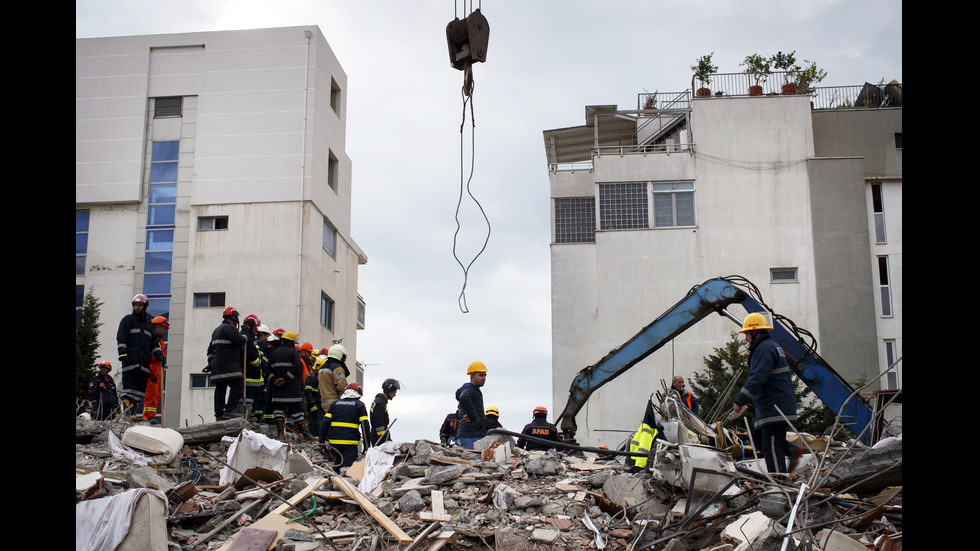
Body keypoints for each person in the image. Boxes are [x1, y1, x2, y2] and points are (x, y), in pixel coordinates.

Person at [732, 312, 803, 475]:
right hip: (769, 407)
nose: (746, 338)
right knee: (757, 436)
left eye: (747, 334)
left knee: (772, 447)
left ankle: (779, 484)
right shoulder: (768, 347)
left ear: (755, 331)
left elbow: (758, 377)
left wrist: (740, 400)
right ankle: (792, 450)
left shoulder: (764, 349)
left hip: (775, 408)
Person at [206, 307, 259, 421]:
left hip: (217, 366)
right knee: (238, 384)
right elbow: (240, 341)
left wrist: (210, 363)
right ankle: (230, 410)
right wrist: (245, 333)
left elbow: (210, 350)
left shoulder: (216, 330)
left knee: (220, 389)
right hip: (229, 364)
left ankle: (219, 415)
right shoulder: (229, 328)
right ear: (234, 317)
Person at [116, 294, 159, 417]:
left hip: (144, 364)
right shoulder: (128, 320)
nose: (137, 307)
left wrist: (159, 355)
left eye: (140, 305)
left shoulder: (149, 324)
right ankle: (127, 414)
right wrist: (122, 353)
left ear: (145, 307)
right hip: (130, 361)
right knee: (128, 390)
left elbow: (154, 343)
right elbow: (121, 337)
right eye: (135, 305)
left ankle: (133, 413)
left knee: (139, 392)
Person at [269, 330, 316, 441]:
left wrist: (275, 380)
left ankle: (280, 434)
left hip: (278, 389)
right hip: (292, 389)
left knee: (278, 412)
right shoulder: (294, 353)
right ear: (291, 342)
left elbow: (268, 370)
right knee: (297, 411)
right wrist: (285, 380)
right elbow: (296, 369)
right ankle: (305, 434)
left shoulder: (274, 353)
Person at [321, 382, 372, 468]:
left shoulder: (334, 404)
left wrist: (322, 441)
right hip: (350, 444)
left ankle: (334, 479)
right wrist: (367, 445)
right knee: (347, 468)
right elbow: (365, 426)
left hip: (334, 443)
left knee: (337, 463)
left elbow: (324, 423)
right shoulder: (359, 405)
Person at [454, 361, 488, 449]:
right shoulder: (470, 388)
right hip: (471, 436)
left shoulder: (471, 389)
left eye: (485, 375)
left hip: (467, 436)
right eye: (480, 375)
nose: (484, 378)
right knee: (471, 462)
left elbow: (460, 395)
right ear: (472, 377)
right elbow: (463, 397)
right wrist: (472, 416)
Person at [142, 316, 169, 423]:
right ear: (157, 327)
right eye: (164, 328)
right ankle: (148, 416)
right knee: (151, 394)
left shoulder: (160, 341)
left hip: (158, 370)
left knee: (157, 395)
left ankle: (151, 415)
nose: (165, 331)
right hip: (152, 369)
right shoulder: (150, 339)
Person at [241, 314, 267, 420]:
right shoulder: (247, 337)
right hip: (249, 376)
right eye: (255, 327)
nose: (256, 331)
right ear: (250, 325)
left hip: (252, 376)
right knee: (248, 399)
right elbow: (252, 354)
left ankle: (247, 418)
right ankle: (245, 420)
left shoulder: (250, 338)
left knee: (250, 400)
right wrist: (257, 363)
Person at [318, 344, 350, 413]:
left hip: (323, 404)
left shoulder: (322, 368)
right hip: (336, 404)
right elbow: (342, 387)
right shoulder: (337, 368)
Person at [370, 378, 401, 445]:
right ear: (389, 390)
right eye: (394, 392)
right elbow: (379, 426)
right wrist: (385, 441)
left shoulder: (379, 402)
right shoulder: (380, 404)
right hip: (379, 440)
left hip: (378, 438)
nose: (395, 395)